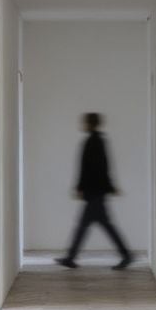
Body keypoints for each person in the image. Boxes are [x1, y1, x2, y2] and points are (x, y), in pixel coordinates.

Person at [55, 113, 132, 270]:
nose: (82, 124)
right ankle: (71, 257)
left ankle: (126, 256)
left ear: (90, 124)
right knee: (92, 225)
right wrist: (107, 187)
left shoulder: (93, 142)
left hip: (94, 192)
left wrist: (81, 187)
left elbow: (95, 169)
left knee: (93, 225)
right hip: (96, 191)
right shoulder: (97, 141)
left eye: (85, 122)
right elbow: (102, 167)